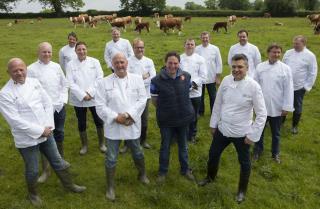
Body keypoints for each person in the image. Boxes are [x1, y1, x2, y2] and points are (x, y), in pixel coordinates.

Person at [0, 58, 86, 207]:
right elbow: (15, 121)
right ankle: (33, 194)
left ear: (25, 69)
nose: (19, 73)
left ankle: (69, 185)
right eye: (15, 71)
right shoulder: (5, 94)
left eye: (21, 69)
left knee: (57, 161)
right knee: (33, 169)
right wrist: (40, 131)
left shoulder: (34, 82)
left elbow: (47, 102)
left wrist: (48, 127)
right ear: (9, 73)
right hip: (26, 139)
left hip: (47, 132)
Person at [198, 54, 267, 203]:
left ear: (247, 68)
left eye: (240, 67)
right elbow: (218, 103)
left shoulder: (254, 86)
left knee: (244, 162)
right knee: (213, 155)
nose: (236, 69)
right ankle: (210, 177)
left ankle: (242, 191)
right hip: (222, 129)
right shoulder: (226, 80)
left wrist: (253, 135)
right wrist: (213, 124)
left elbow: (262, 114)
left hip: (242, 134)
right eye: (234, 66)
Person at [95, 53, 149, 201]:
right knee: (111, 157)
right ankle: (110, 187)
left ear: (127, 63)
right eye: (116, 63)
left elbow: (142, 99)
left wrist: (129, 115)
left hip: (131, 123)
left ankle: (142, 174)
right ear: (112, 65)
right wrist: (115, 117)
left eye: (122, 62)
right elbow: (99, 105)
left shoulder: (137, 79)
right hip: (113, 126)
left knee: (137, 152)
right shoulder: (103, 83)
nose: (120, 65)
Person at [151, 51, 196, 183]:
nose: (173, 66)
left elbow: (186, 93)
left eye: (175, 63)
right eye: (170, 63)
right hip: (166, 120)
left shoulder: (186, 77)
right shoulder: (156, 80)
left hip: (183, 118)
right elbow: (154, 101)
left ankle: (185, 169)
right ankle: (162, 172)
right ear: (165, 63)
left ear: (179, 64)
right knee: (165, 146)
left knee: (183, 145)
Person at [28, 42, 69, 183]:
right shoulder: (31, 69)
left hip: (59, 107)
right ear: (38, 53)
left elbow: (64, 84)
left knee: (59, 133)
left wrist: (63, 100)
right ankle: (46, 170)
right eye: (44, 52)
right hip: (43, 111)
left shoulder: (57, 67)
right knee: (44, 137)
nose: (47, 54)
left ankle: (60, 164)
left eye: (49, 52)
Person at [253, 44, 294, 163]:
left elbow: (289, 89)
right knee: (259, 130)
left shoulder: (285, 69)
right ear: (268, 53)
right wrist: (254, 104)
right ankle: (257, 151)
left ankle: (275, 153)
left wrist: (287, 106)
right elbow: (255, 86)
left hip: (278, 106)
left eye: (278, 52)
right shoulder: (260, 67)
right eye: (273, 52)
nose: (276, 54)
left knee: (276, 133)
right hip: (262, 106)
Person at [66, 41, 106, 155]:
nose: (82, 51)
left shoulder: (95, 62)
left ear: (86, 50)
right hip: (78, 99)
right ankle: (84, 145)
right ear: (75, 51)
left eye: (84, 49)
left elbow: (99, 78)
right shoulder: (70, 64)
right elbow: (70, 82)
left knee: (98, 120)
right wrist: (82, 95)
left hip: (94, 97)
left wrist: (90, 93)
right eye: (79, 49)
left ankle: (102, 144)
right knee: (81, 122)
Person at [282, 35, 318, 134]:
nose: (295, 45)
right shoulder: (288, 53)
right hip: (286, 85)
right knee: (284, 104)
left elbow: (313, 72)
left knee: (297, 106)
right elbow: (282, 66)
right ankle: (281, 122)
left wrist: (306, 86)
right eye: (294, 43)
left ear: (304, 44)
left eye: (297, 44)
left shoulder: (310, 56)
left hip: (299, 86)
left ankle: (294, 126)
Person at [128, 38, 156, 149]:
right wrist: (142, 78)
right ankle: (128, 143)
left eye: (142, 47)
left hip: (145, 95)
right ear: (133, 48)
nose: (140, 49)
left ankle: (143, 141)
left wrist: (138, 81)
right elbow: (127, 78)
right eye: (137, 47)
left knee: (144, 120)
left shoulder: (149, 61)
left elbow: (153, 76)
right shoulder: (128, 61)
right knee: (131, 118)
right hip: (131, 95)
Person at [180, 38, 207, 143]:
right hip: (182, 92)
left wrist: (192, 84)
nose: (190, 46)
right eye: (188, 44)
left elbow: (203, 76)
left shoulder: (200, 59)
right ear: (184, 45)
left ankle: (192, 135)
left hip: (195, 93)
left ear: (195, 46)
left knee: (194, 115)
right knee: (182, 115)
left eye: (192, 44)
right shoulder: (180, 58)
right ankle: (182, 135)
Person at [195, 31, 222, 116]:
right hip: (200, 77)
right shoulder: (196, 49)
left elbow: (219, 63)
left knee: (213, 96)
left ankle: (214, 112)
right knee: (200, 95)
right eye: (203, 38)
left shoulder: (215, 48)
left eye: (206, 37)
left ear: (209, 38)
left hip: (212, 77)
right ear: (201, 38)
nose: (205, 39)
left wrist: (218, 77)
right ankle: (200, 112)